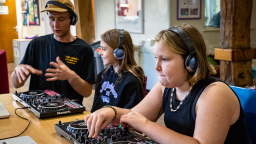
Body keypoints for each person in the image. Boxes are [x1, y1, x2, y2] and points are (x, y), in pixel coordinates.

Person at [84, 24, 251, 144]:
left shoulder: (214, 94)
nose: (156, 67)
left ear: (190, 62)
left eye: (164, 59)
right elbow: (134, 115)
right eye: (156, 58)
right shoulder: (168, 86)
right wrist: (110, 112)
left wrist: (145, 125)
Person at [11, 0, 95, 105]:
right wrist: (17, 71)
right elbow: (16, 84)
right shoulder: (37, 44)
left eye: (61, 19)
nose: (55, 24)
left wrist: (71, 76)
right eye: (51, 18)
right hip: (38, 108)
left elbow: (87, 92)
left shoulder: (84, 49)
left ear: (71, 20)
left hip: (68, 112)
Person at [90, 29, 145, 112]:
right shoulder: (102, 75)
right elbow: (95, 108)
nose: (100, 53)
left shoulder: (131, 81)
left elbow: (131, 114)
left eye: (104, 49)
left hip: (118, 123)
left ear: (119, 52)